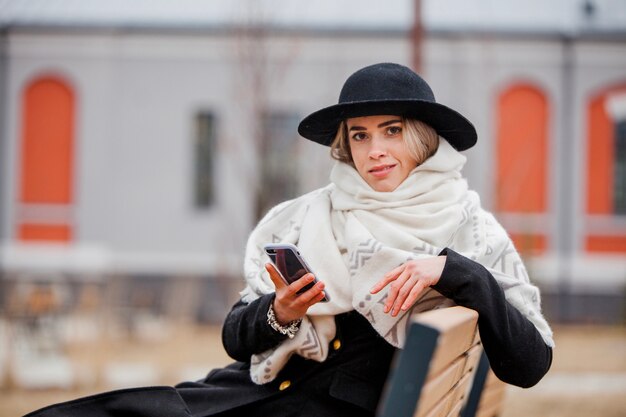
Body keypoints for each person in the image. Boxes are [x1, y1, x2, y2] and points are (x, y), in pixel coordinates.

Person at [24, 62, 554, 417]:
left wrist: (453, 271)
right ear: (345, 145)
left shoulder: (466, 229)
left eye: (392, 130)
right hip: (249, 390)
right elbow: (236, 338)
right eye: (360, 135)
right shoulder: (304, 217)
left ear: (422, 138)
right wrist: (278, 310)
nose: (375, 151)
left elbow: (529, 364)